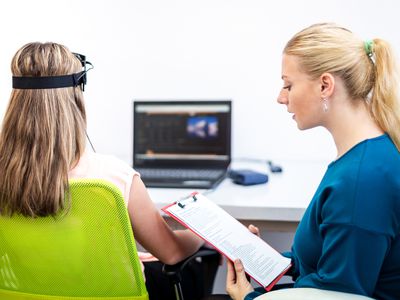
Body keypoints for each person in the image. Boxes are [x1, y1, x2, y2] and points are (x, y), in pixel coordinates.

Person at [0, 42, 204, 299]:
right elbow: (172, 253)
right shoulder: (111, 176)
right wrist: (200, 234)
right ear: (76, 98)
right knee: (195, 265)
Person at [226, 23, 400, 300]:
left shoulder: (361, 180)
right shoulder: (365, 157)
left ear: (325, 85)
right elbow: (330, 256)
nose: (281, 97)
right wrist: (265, 260)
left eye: (288, 85)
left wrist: (248, 298)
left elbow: (338, 294)